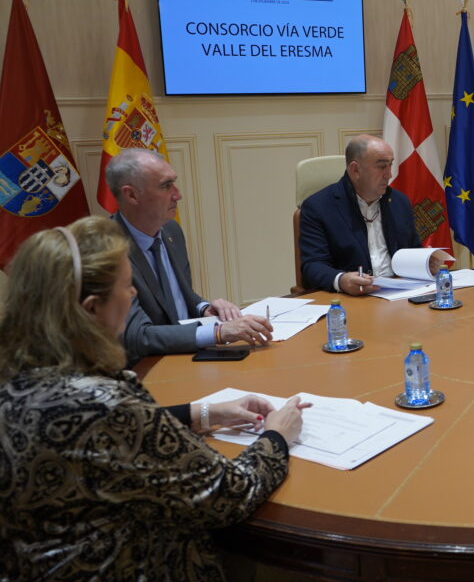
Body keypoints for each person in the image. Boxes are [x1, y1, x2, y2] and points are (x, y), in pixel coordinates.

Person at [0, 215, 310, 581]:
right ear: (90, 310)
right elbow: (230, 494)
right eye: (127, 288)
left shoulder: (16, 380)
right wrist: (276, 436)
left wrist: (203, 413)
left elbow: (108, 442)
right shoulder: (106, 404)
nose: (133, 296)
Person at [105, 149, 273, 365]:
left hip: (187, 356)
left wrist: (204, 308)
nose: (178, 194)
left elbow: (172, 298)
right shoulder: (108, 251)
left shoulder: (170, 230)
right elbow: (137, 336)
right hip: (147, 369)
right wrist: (218, 332)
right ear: (131, 195)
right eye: (166, 186)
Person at [299, 134, 438, 295]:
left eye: (390, 165)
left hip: (402, 294)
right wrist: (341, 280)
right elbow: (313, 265)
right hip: (354, 299)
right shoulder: (318, 207)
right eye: (381, 166)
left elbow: (412, 250)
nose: (389, 174)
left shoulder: (399, 202)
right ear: (355, 170)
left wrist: (425, 263)